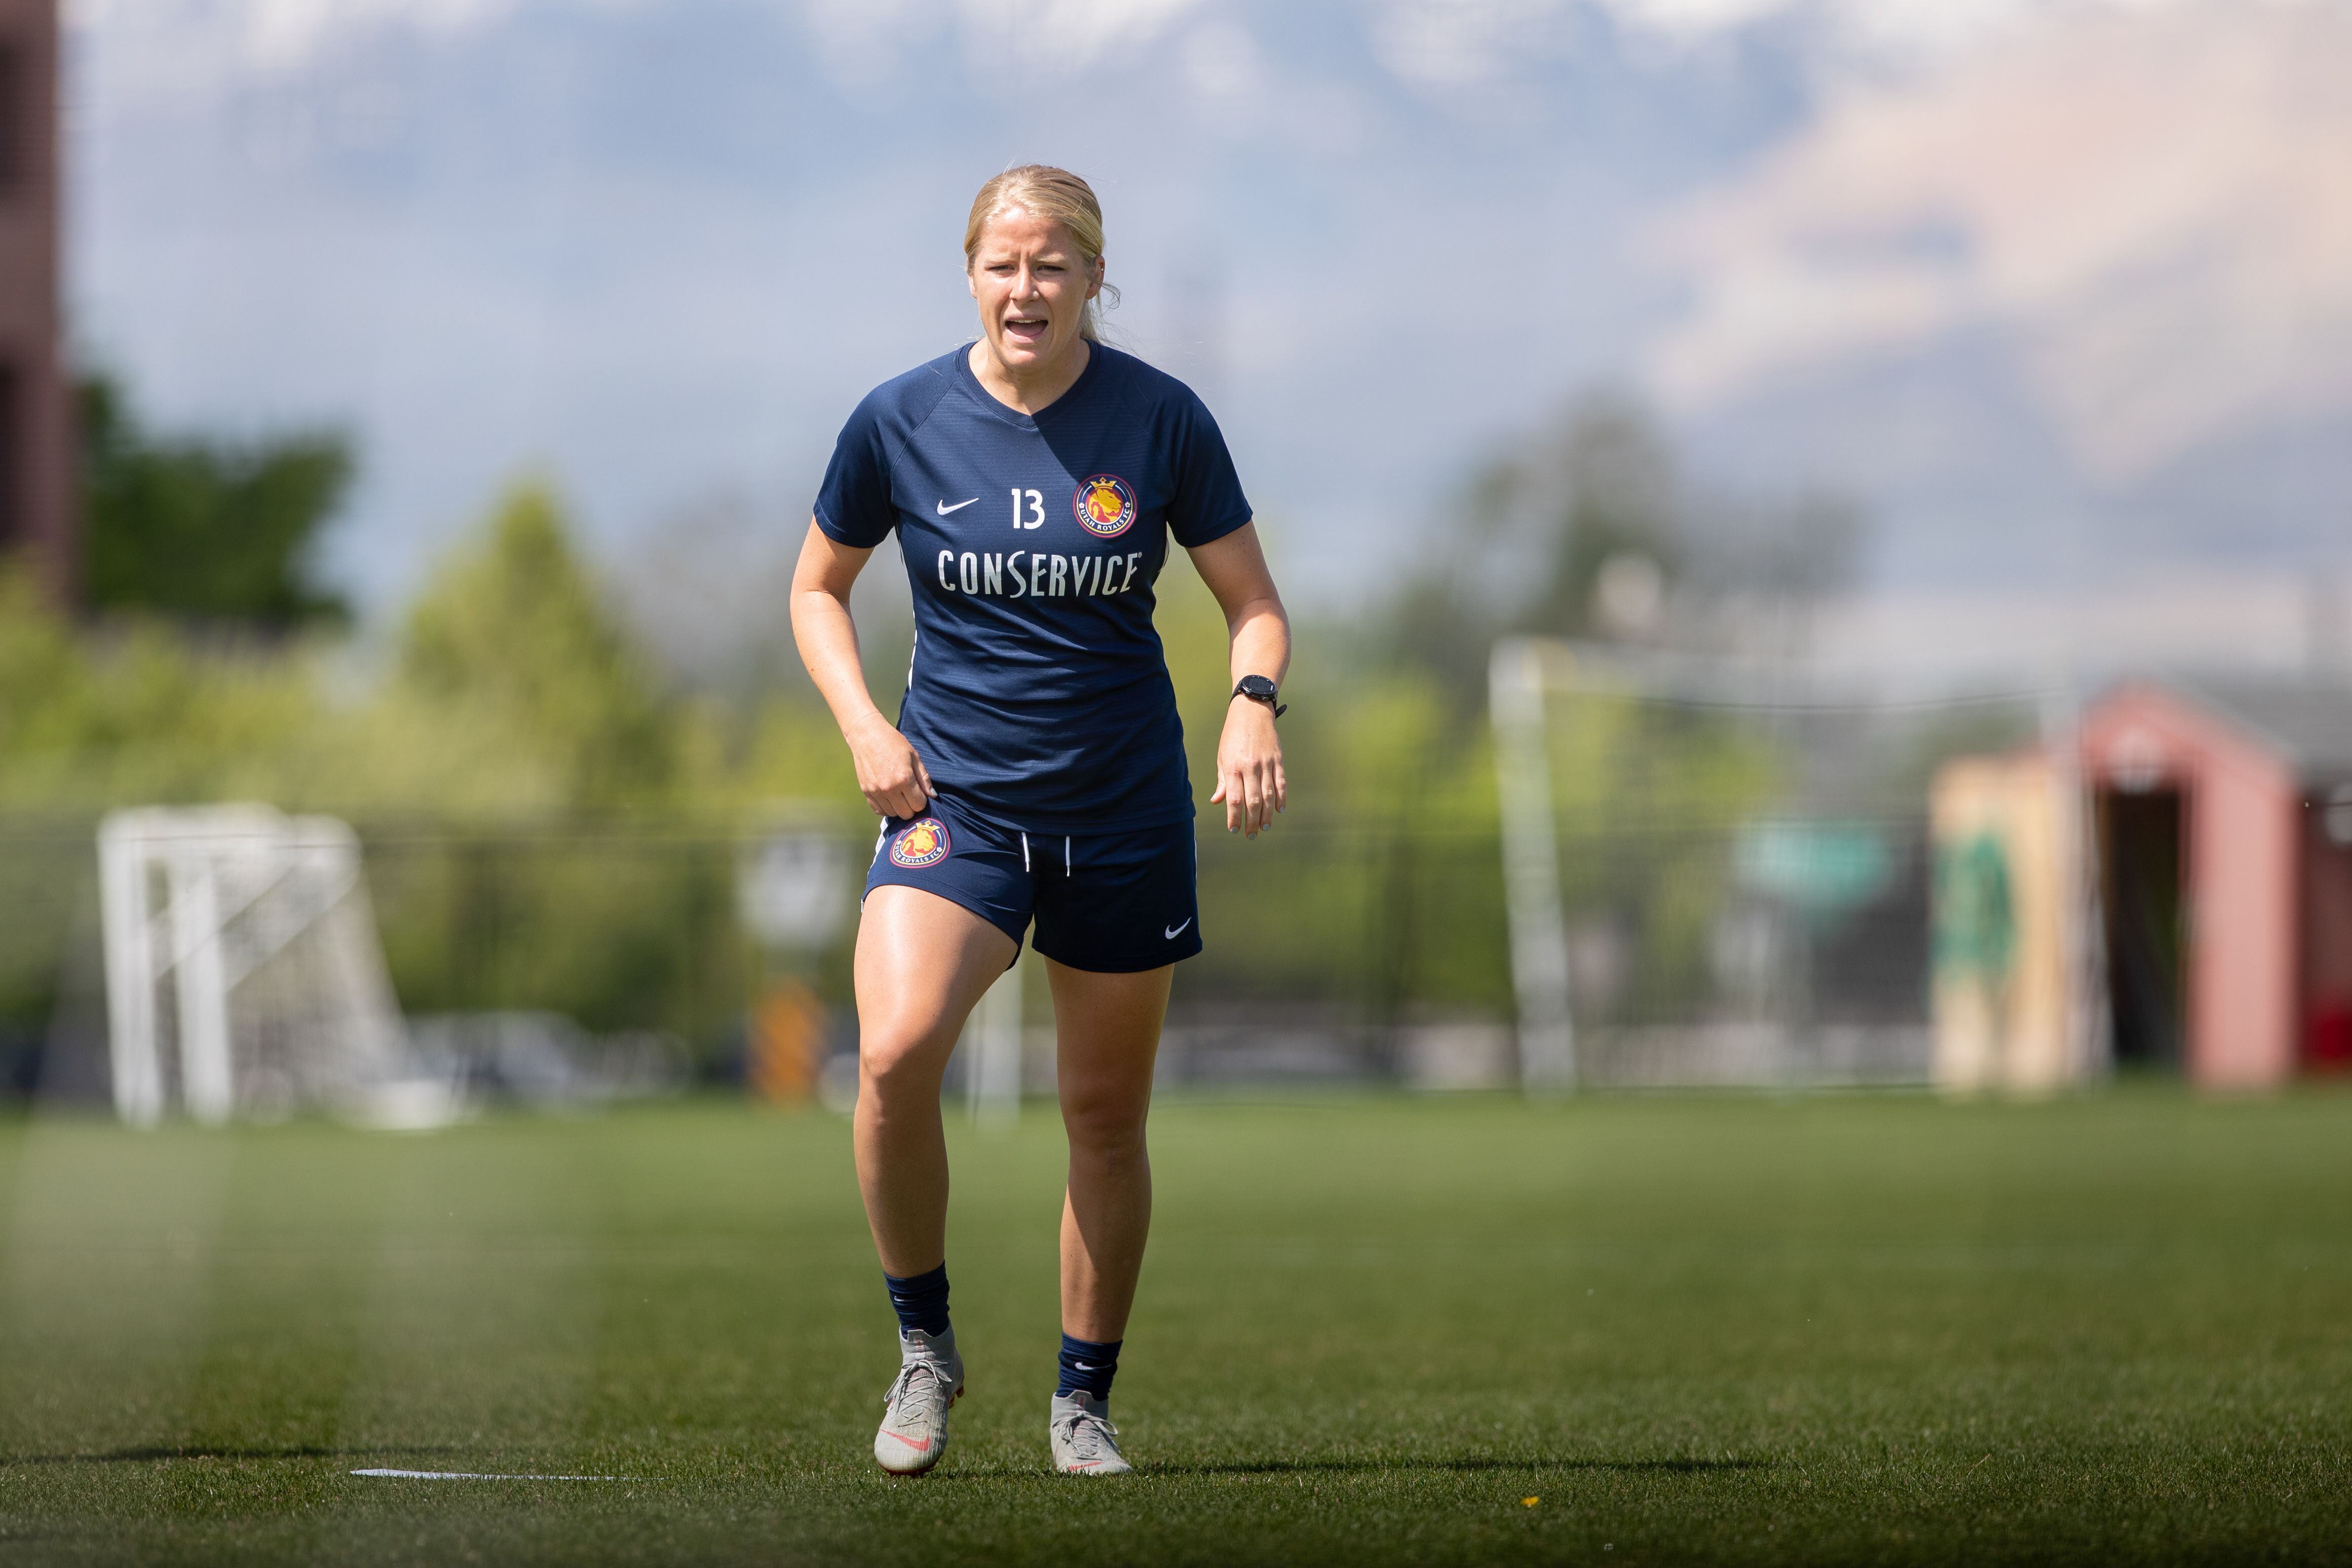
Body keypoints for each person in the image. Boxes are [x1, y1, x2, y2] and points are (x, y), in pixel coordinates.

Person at [789, 165, 1291, 1478]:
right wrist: (862, 726)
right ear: (971, 271)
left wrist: (1249, 705)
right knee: (894, 1055)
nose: (1027, 289)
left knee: (1102, 1119)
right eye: (1005, 265)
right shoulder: (897, 419)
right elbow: (815, 591)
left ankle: (1082, 1404)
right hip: (954, 804)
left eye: (1053, 267)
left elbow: (1254, 601)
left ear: (1092, 281)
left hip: (1122, 815)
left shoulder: (1159, 419)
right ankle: (923, 1349)